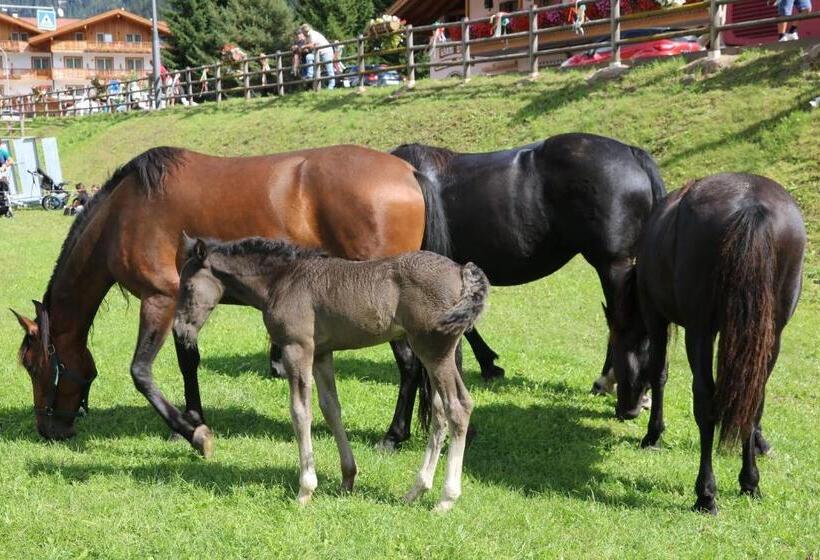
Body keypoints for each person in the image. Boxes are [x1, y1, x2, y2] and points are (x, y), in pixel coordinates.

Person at [299, 23, 335, 89]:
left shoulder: (313, 34)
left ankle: (331, 86)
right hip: (317, 53)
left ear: (305, 31)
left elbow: (313, 44)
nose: (302, 34)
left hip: (326, 51)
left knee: (329, 68)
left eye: (302, 32)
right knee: (309, 57)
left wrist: (304, 47)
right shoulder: (307, 37)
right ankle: (310, 75)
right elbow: (308, 47)